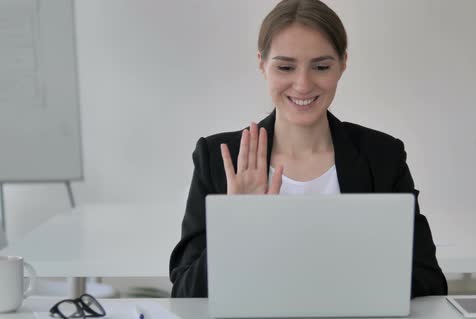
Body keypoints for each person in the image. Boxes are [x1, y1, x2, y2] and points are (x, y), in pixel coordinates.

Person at [169, 0, 447, 298]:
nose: (302, 84)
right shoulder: (218, 157)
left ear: (342, 64)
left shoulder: (382, 157)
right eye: (286, 67)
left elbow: (429, 281)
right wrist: (238, 221)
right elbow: (186, 296)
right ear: (262, 64)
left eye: (321, 66)